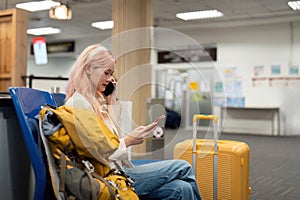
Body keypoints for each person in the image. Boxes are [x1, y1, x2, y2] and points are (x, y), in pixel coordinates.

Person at [64, 44, 202, 200]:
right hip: (106, 178)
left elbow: (111, 139)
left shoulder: (95, 101)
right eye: (106, 73)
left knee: (181, 188)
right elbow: (99, 153)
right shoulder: (79, 104)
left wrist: (111, 102)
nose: (110, 79)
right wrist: (129, 141)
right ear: (88, 69)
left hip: (117, 171)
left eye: (112, 74)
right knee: (183, 166)